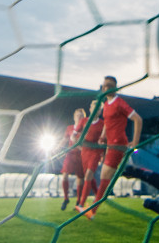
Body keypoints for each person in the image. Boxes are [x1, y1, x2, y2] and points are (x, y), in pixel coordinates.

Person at [78, 76, 142, 219]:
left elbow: (138, 119)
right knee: (109, 176)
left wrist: (135, 142)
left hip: (118, 145)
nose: (107, 88)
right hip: (111, 145)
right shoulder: (106, 104)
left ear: (116, 88)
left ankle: (92, 211)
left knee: (105, 177)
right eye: (105, 85)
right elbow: (107, 123)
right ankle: (92, 209)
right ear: (102, 88)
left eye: (110, 85)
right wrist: (102, 137)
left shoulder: (119, 103)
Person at [75, 100, 105, 211]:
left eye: (99, 109)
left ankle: (81, 205)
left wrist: (103, 153)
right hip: (84, 151)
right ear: (90, 109)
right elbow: (75, 133)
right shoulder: (83, 121)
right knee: (89, 176)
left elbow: (105, 139)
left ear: (100, 111)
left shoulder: (102, 124)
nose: (96, 110)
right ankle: (98, 197)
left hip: (95, 152)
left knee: (88, 175)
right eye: (94, 108)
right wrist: (75, 140)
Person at [60, 108, 87, 210]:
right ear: (74, 117)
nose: (79, 118)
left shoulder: (85, 128)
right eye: (77, 116)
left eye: (81, 116)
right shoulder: (70, 128)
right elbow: (64, 139)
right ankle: (66, 198)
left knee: (80, 178)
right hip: (70, 154)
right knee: (65, 175)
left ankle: (78, 201)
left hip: (81, 155)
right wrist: (58, 147)